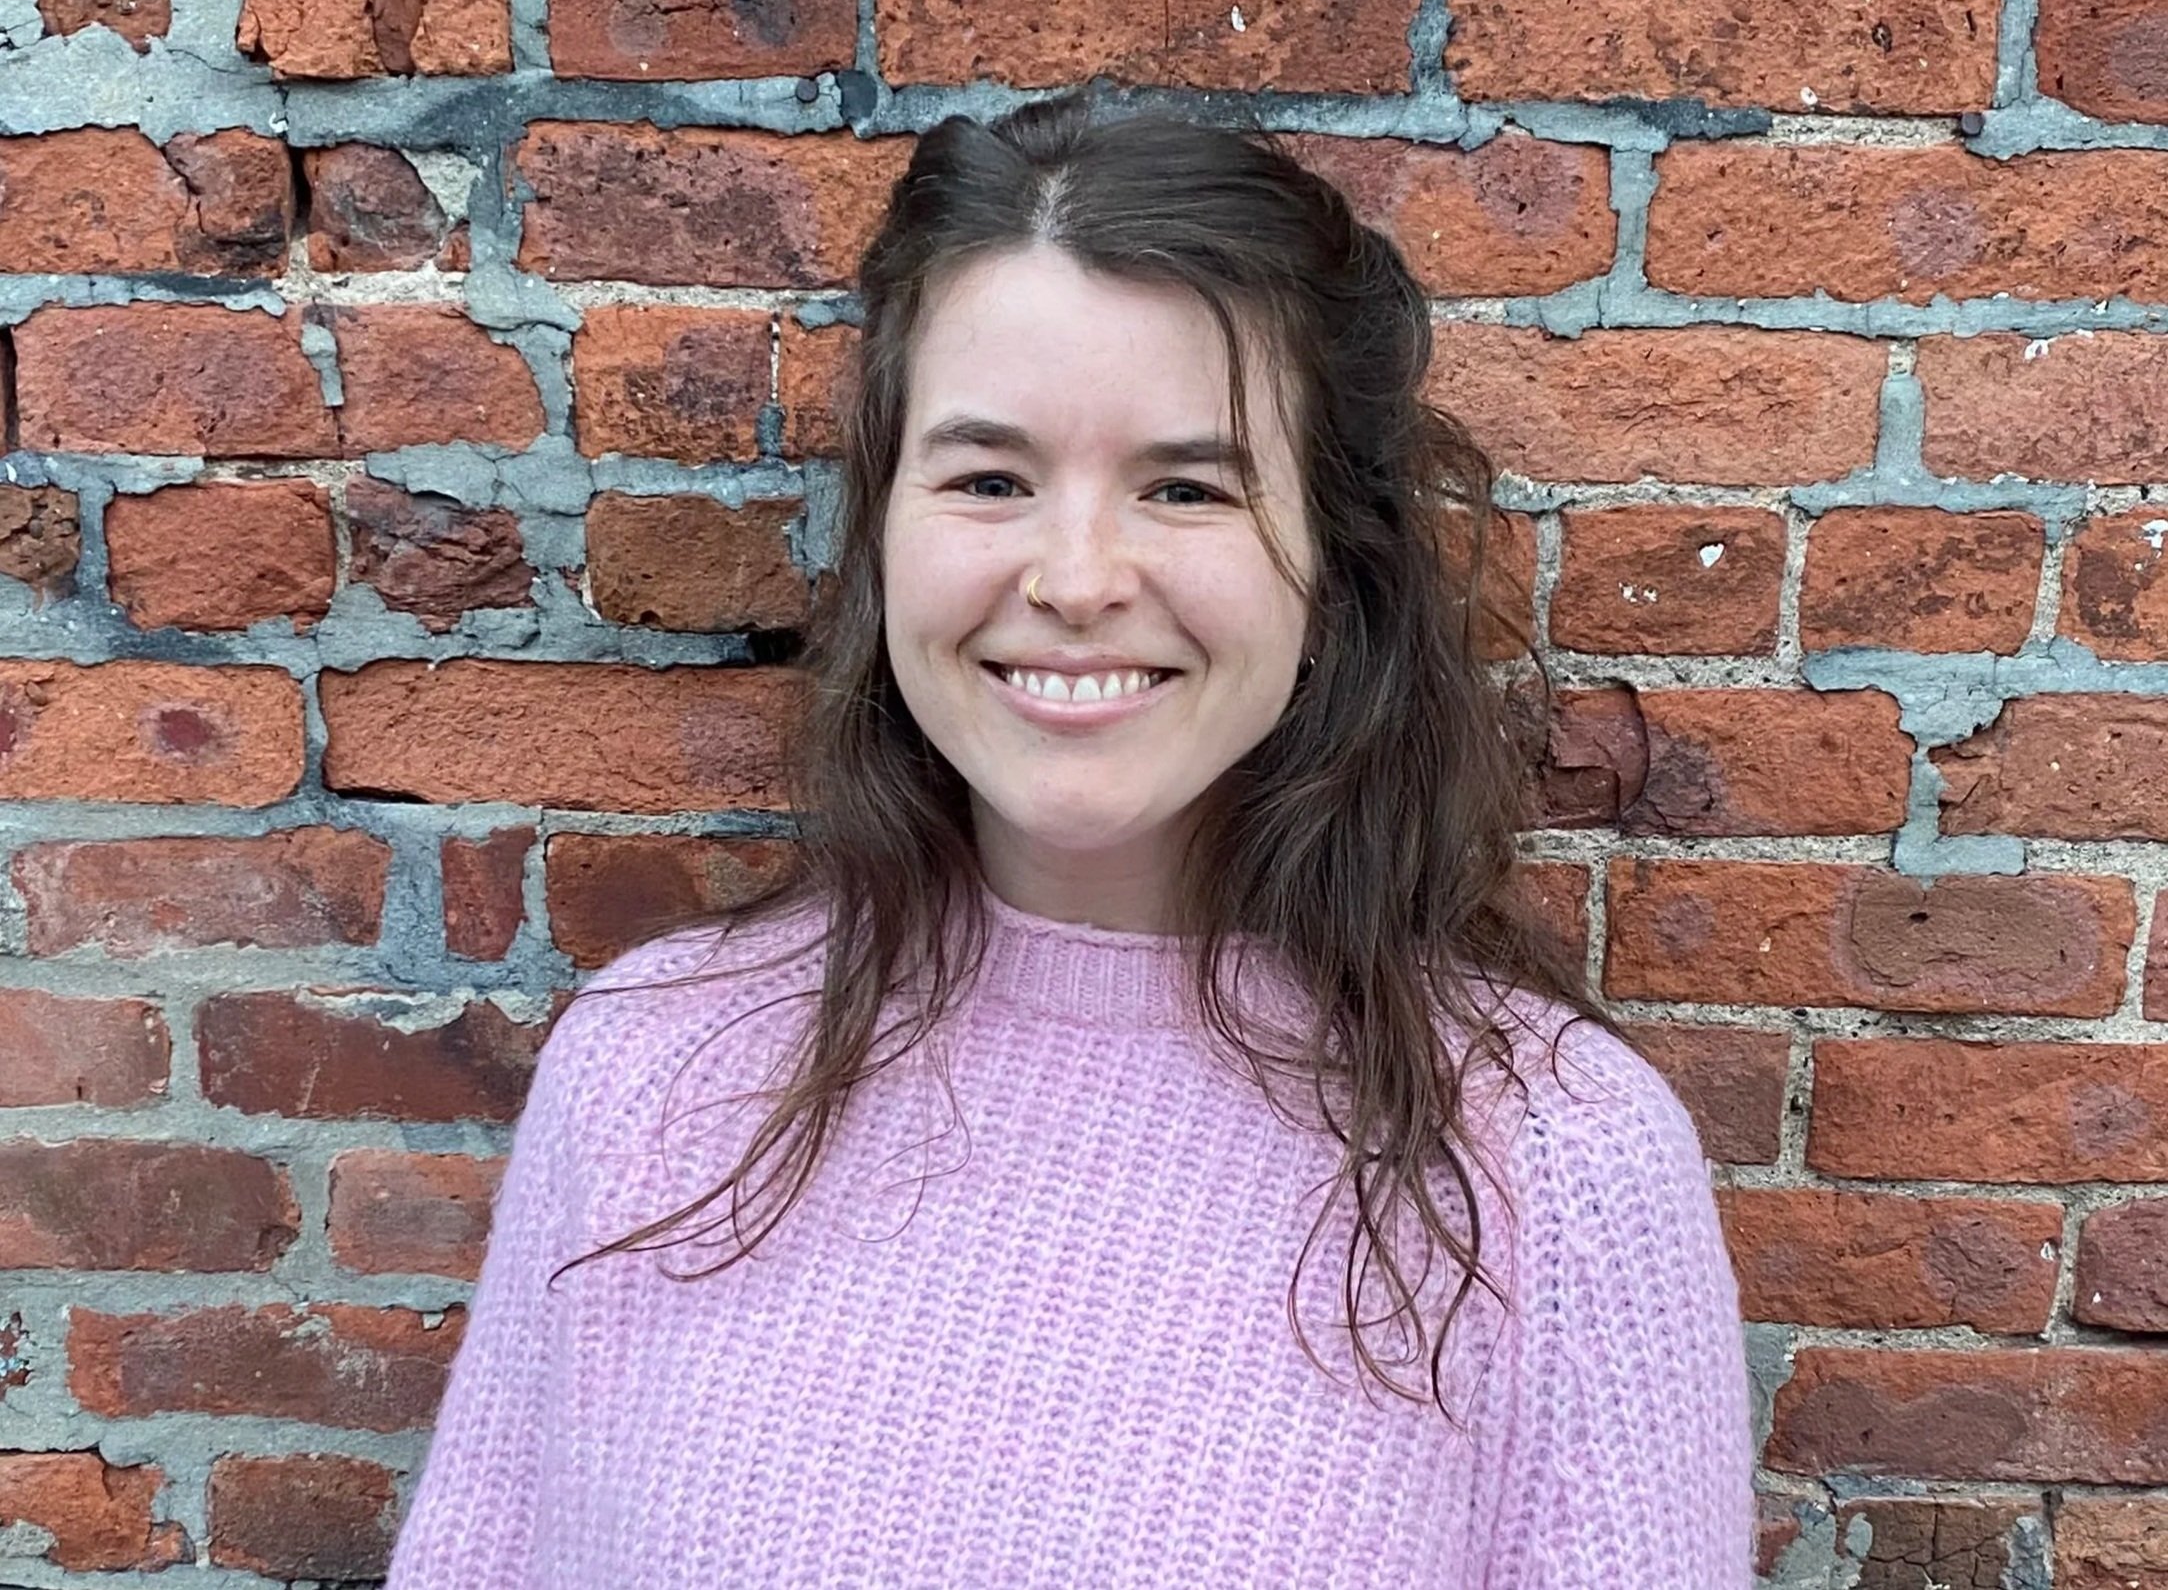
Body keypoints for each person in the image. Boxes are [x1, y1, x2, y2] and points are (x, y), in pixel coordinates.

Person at [384, 92, 1756, 1588]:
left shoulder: (1555, 1167)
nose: (1080, 576)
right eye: (990, 480)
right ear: (885, 532)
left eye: (1186, 486)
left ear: (1333, 570)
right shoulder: (649, 1073)